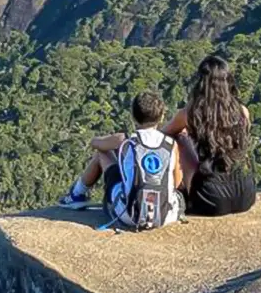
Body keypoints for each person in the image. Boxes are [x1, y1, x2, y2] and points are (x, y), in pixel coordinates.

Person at [57, 92, 185, 229]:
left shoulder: (126, 139)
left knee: (102, 154)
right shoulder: (170, 144)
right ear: (162, 117)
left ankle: (76, 195)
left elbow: (96, 144)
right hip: (164, 217)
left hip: (129, 216)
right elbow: (176, 182)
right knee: (178, 197)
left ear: (133, 116)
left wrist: (103, 142)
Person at [162, 54, 257, 216]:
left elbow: (163, 135)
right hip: (245, 196)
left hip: (211, 200)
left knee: (178, 138)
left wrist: (186, 135)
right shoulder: (243, 112)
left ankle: (180, 193)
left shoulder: (191, 113)